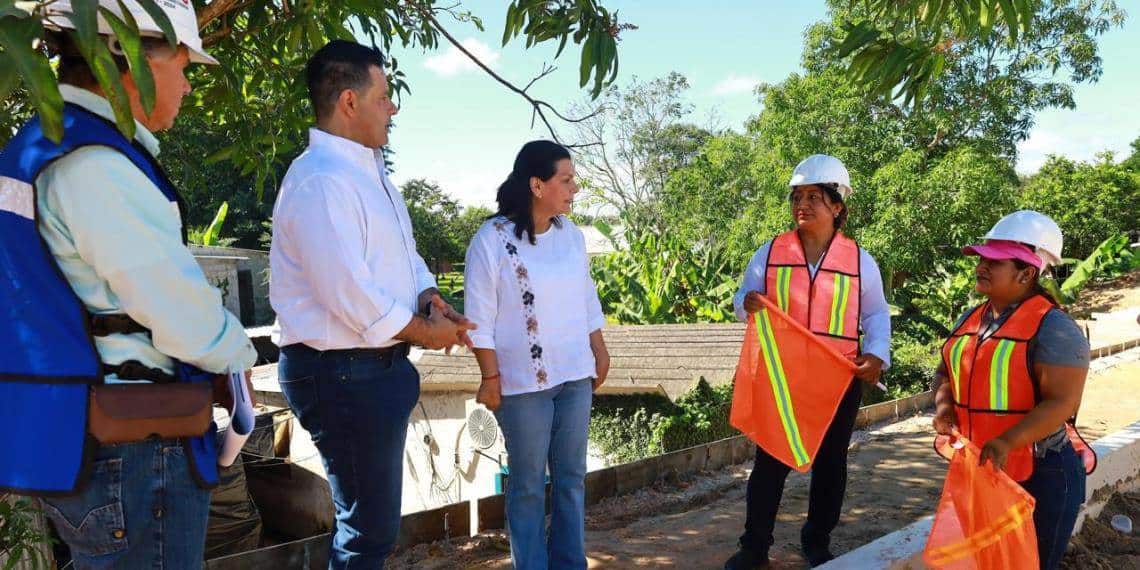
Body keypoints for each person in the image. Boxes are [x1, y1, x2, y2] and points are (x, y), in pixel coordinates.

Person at [0, 2, 257, 568]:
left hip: (89, 442)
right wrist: (240, 354)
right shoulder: (96, 163)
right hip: (137, 454)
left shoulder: (44, 146)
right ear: (128, 54)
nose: (189, 87)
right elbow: (174, 308)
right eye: (184, 66)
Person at [269, 40, 474, 568]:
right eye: (384, 96)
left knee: (369, 525)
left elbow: (401, 259)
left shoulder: (367, 173)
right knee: (367, 531)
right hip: (342, 372)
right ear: (349, 102)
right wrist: (425, 332)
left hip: (365, 369)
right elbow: (349, 293)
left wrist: (429, 296)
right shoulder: (320, 179)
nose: (393, 107)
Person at [725, 154, 892, 569]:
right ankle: (754, 548)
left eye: (815, 196)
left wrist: (876, 354)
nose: (803, 204)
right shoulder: (769, 252)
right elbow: (742, 303)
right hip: (782, 379)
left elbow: (876, 314)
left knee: (831, 464)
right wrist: (745, 303)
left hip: (837, 379)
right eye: (797, 196)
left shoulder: (859, 261)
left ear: (838, 207)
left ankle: (817, 542)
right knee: (770, 463)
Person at [464, 140, 610, 569]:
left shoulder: (571, 236)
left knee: (571, 479)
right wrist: (490, 379)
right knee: (527, 484)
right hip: (522, 384)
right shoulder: (490, 241)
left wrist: (599, 349)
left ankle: (569, 563)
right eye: (566, 180)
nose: (574, 189)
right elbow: (480, 317)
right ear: (536, 184)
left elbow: (587, 296)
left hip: (575, 377)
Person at [932, 210, 1095, 570]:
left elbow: (1062, 403)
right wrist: (944, 408)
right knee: (989, 560)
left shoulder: (1054, 328)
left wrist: (1007, 441)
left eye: (994, 261)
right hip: (985, 469)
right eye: (982, 258)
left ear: (1026, 273)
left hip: (1043, 473)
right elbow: (945, 370)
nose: (981, 267)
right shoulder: (972, 319)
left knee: (1031, 563)